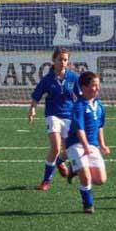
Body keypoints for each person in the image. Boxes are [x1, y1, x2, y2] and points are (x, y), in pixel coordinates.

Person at [28, 46, 81, 191]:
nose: (63, 62)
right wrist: (32, 109)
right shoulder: (47, 79)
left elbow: (81, 97)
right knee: (56, 147)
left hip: (69, 117)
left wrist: (82, 112)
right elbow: (36, 96)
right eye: (60, 59)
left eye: (65, 60)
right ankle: (46, 181)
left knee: (67, 152)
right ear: (54, 60)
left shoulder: (74, 77)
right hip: (53, 115)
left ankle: (58, 162)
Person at [66, 71, 110, 213]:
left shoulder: (100, 106)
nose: (97, 89)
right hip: (76, 144)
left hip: (92, 145)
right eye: (93, 86)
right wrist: (85, 147)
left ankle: (74, 168)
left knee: (100, 180)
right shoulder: (79, 106)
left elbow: (100, 127)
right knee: (86, 177)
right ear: (84, 87)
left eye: (98, 86)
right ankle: (88, 204)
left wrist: (102, 144)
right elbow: (80, 129)